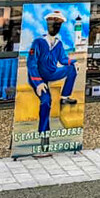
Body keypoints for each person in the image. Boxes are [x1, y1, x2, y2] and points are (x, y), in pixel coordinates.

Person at [26, 9, 78, 148]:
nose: (54, 27)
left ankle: (65, 96)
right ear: (48, 24)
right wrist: (38, 83)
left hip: (51, 72)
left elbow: (62, 59)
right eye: (52, 24)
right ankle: (44, 135)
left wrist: (74, 62)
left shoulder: (59, 44)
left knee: (72, 69)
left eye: (57, 25)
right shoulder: (38, 42)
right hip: (38, 77)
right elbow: (31, 63)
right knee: (46, 101)